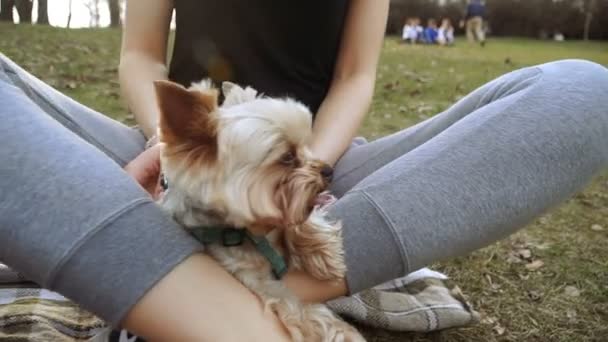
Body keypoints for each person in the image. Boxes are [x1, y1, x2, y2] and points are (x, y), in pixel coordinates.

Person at [1, 0, 608, 340]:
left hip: (321, 163)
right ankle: (208, 289)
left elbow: (355, 78)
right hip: (167, 152)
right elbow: (139, 56)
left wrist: (306, 173)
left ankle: (240, 282)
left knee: (582, 93)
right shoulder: (173, 144)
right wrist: (172, 145)